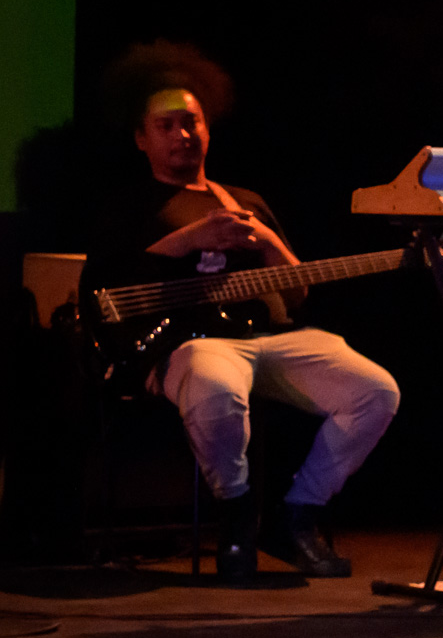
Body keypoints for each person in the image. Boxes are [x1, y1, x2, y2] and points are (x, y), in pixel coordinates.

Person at [81, 42, 400, 582]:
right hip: (188, 343)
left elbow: (297, 293)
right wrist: (189, 239)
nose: (183, 134)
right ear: (142, 138)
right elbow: (103, 290)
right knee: (213, 382)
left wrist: (268, 238)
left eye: (192, 122)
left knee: (375, 390)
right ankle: (237, 514)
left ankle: (297, 513)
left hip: (269, 337)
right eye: (167, 125)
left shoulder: (244, 198)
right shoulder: (128, 206)